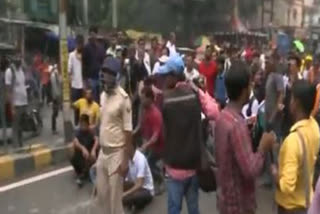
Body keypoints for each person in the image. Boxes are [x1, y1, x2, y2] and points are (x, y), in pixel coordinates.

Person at [157, 55, 218, 214]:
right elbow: (214, 112)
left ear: (174, 76)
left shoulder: (165, 99)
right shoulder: (193, 94)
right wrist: (197, 89)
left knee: (174, 209)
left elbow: (162, 132)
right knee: (193, 209)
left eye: (166, 75)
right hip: (193, 165)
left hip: (174, 167)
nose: (164, 79)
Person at [215, 61, 276, 214]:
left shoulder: (222, 117)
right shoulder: (237, 125)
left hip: (225, 197)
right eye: (249, 85)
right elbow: (250, 170)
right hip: (238, 204)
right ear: (244, 90)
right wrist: (263, 147)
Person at [270, 80, 320, 214]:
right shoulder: (314, 126)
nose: (289, 101)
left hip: (290, 208)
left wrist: (275, 172)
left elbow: (286, 186)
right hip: (306, 201)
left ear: (296, 103)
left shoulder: (293, 141)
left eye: (291, 98)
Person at [97, 57, 133, 214]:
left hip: (116, 154)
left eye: (109, 73)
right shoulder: (103, 96)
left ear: (116, 75)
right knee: (102, 197)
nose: (105, 75)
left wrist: (125, 160)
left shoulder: (124, 100)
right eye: (104, 71)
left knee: (114, 202)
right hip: (103, 154)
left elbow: (128, 132)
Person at [138, 87, 164, 192]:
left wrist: (145, 146)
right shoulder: (145, 109)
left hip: (159, 145)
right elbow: (140, 125)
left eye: (143, 99)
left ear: (149, 99)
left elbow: (155, 136)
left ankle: (161, 181)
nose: (141, 101)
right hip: (150, 143)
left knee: (149, 163)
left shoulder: (155, 114)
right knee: (146, 162)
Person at [123, 141, 154, 211]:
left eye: (125, 147)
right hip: (135, 185)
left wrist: (125, 194)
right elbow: (124, 177)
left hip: (146, 189)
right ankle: (131, 202)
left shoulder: (140, 159)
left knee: (128, 198)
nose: (123, 149)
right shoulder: (128, 158)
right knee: (116, 186)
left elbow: (139, 184)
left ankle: (137, 205)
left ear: (131, 148)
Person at [5, 56, 28, 147]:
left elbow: (22, 85)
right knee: (15, 125)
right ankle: (15, 146)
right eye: (19, 60)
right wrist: (12, 107)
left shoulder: (21, 71)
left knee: (21, 126)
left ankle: (20, 143)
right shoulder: (9, 72)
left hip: (23, 102)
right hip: (16, 104)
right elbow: (8, 90)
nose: (20, 62)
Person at [70, 114, 98, 187]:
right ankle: (82, 173)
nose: (83, 127)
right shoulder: (77, 131)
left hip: (90, 155)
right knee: (72, 152)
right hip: (82, 154)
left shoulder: (91, 131)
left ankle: (85, 173)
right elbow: (75, 141)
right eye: (81, 125)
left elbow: (96, 140)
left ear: (88, 124)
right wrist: (82, 148)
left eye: (84, 125)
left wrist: (93, 150)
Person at [82, 26, 104, 102]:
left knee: (100, 98)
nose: (92, 36)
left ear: (96, 35)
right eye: (91, 34)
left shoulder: (100, 48)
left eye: (94, 34)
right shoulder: (86, 48)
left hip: (99, 77)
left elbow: (102, 61)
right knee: (92, 98)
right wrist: (85, 79)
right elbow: (83, 64)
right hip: (90, 78)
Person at [69, 35, 84, 125]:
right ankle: (76, 125)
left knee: (84, 107)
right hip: (75, 85)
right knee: (76, 108)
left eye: (81, 44)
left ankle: (83, 125)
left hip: (84, 85)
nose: (79, 46)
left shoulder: (85, 55)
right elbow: (69, 70)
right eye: (78, 44)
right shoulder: (71, 55)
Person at [50, 64, 61, 135]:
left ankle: (54, 128)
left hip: (56, 95)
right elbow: (55, 86)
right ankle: (53, 129)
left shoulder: (54, 75)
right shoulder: (54, 75)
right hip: (55, 96)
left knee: (55, 113)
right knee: (55, 113)